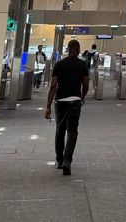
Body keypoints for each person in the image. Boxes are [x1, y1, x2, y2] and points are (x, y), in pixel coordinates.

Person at [45, 39, 89, 175]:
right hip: (75, 101)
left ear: (68, 49)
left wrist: (48, 106)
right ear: (78, 49)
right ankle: (67, 160)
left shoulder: (59, 65)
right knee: (72, 131)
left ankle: (59, 160)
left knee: (60, 130)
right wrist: (82, 97)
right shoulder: (83, 65)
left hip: (61, 101)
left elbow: (53, 86)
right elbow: (86, 85)